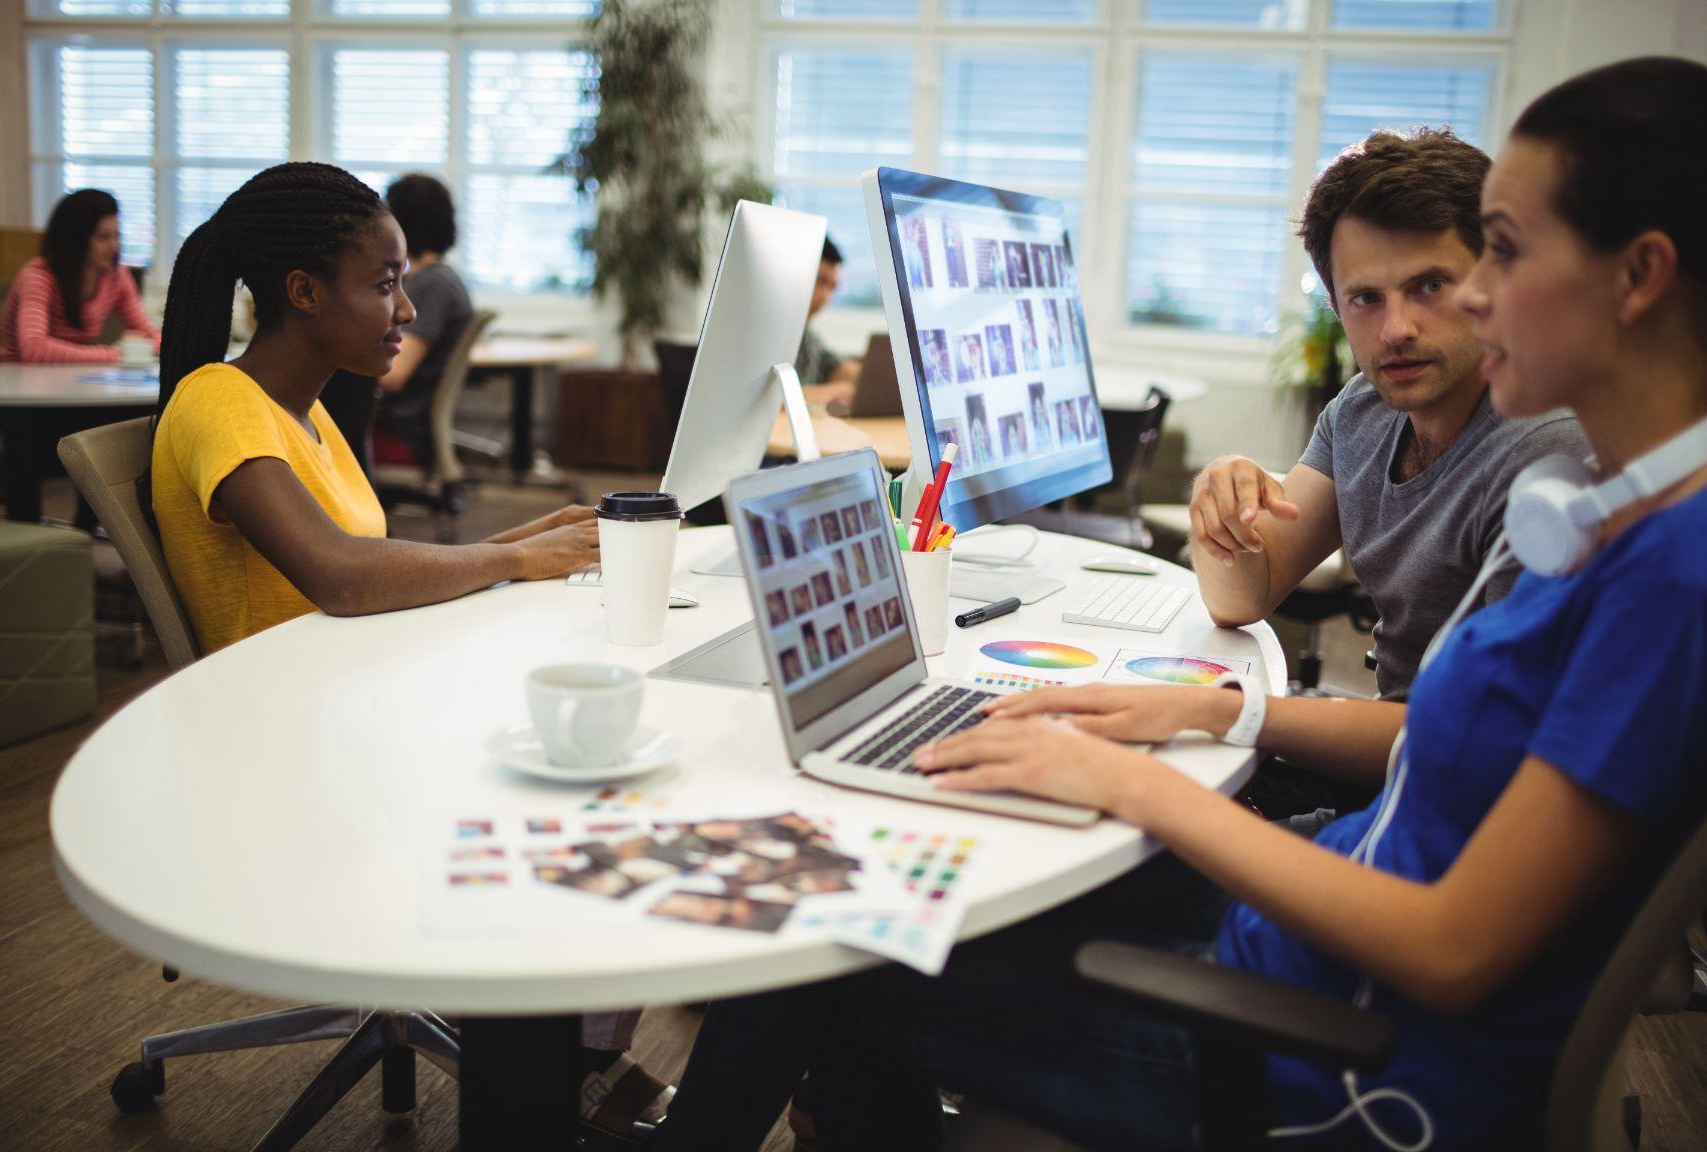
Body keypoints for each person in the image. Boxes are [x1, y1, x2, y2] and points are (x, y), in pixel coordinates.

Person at [652, 56, 1707, 1151]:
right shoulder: (1626, 516)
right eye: (1377, 293)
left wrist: (1136, 784)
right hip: (1319, 937)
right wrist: (1196, 715)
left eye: (1503, 254)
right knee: (903, 892)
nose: (1475, 299)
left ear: (1637, 277)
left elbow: (1452, 946)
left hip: (1336, 1057)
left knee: (836, 948)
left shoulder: (1664, 572)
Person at [146, 160, 673, 1138]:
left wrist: (520, 541)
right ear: (303, 292)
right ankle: (569, 1069)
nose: (403, 309)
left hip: (353, 714)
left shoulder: (306, 417)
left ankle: (584, 1057)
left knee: (618, 738)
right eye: (383, 283)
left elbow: (379, 558)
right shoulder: (221, 402)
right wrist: (514, 566)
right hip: (292, 762)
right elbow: (341, 576)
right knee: (587, 789)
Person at [1190, 129, 1586, 703]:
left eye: (1429, 285)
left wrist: (1237, 716)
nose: (1396, 329)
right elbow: (1242, 599)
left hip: (1459, 778)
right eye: (1366, 298)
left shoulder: (1544, 454)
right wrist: (1219, 507)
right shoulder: (1363, 411)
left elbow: (1494, 740)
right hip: (1400, 756)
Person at [372, 173, 475, 466]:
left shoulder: (433, 285)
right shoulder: (424, 280)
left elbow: (394, 375)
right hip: (399, 425)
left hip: (398, 433)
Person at [0, 188, 160, 363]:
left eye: (117, 236)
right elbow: (34, 349)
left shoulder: (116, 275)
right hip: (20, 379)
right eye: (103, 237)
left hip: (72, 376)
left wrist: (152, 346)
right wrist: (116, 353)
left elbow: (149, 334)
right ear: (75, 240)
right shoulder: (38, 276)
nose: (114, 247)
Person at [794, 237, 862, 412]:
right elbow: (766, 400)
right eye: (820, 281)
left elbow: (836, 368)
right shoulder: (761, 333)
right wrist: (837, 391)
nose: (825, 297)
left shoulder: (807, 335)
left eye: (832, 287)